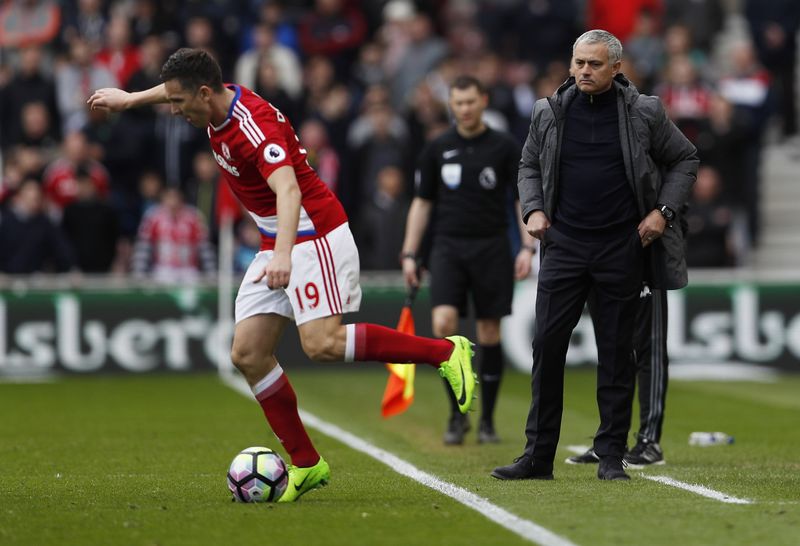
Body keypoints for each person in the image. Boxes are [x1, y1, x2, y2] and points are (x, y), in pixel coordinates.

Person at [87, 48, 476, 502]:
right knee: (248, 353)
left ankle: (445, 352)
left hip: (313, 233)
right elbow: (178, 87)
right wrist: (130, 99)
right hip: (278, 239)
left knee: (322, 344)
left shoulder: (252, 126)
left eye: (177, 102)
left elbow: (288, 190)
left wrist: (285, 256)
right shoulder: (209, 100)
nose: (173, 109)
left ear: (206, 93)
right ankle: (308, 464)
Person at [491, 30, 698, 482]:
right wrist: (534, 209)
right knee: (546, 347)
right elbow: (527, 165)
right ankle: (537, 456)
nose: (585, 70)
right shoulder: (548, 112)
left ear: (616, 68)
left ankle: (610, 455)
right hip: (563, 246)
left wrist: (662, 213)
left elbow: (685, 158)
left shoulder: (645, 111)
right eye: (579, 62)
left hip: (622, 247)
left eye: (595, 64)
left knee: (617, 353)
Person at [401, 75, 536, 445]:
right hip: (447, 247)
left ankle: (487, 420)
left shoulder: (505, 147)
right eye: (458, 103)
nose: (464, 109)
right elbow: (422, 203)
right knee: (444, 324)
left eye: (470, 102)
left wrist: (526, 247)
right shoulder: (437, 148)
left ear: (484, 101)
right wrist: (411, 253)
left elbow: (521, 199)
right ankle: (457, 414)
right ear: (451, 105)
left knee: (489, 331)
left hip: (492, 246)